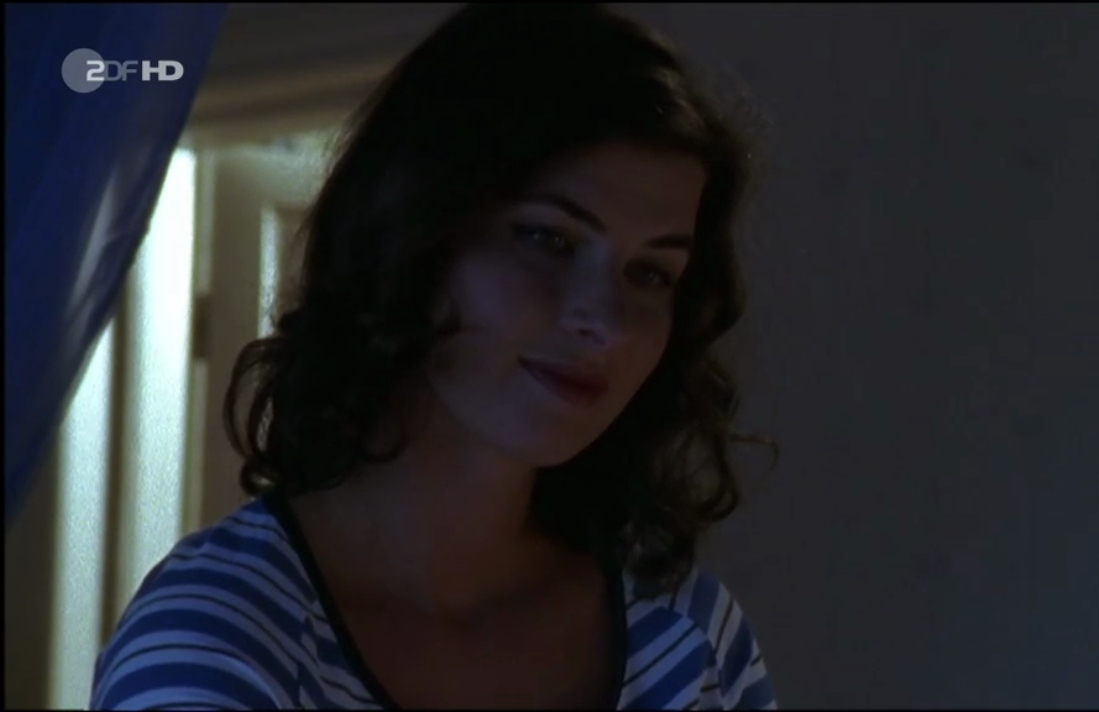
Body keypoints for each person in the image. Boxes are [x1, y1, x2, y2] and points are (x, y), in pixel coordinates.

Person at [90, 3, 777, 709]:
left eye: (651, 274)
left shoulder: (688, 637)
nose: (604, 320)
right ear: (416, 232)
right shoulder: (217, 635)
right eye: (549, 240)